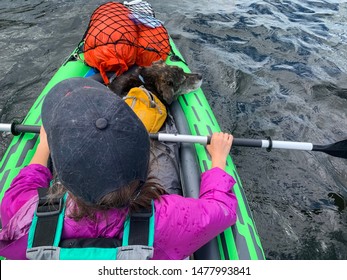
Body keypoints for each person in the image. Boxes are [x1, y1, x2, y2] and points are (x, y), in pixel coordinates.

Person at [0, 78, 237, 260]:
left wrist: (45, 145)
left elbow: (25, 185)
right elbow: (220, 209)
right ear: (145, 160)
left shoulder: (25, 215)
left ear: (64, 174)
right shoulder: (169, 220)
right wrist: (218, 159)